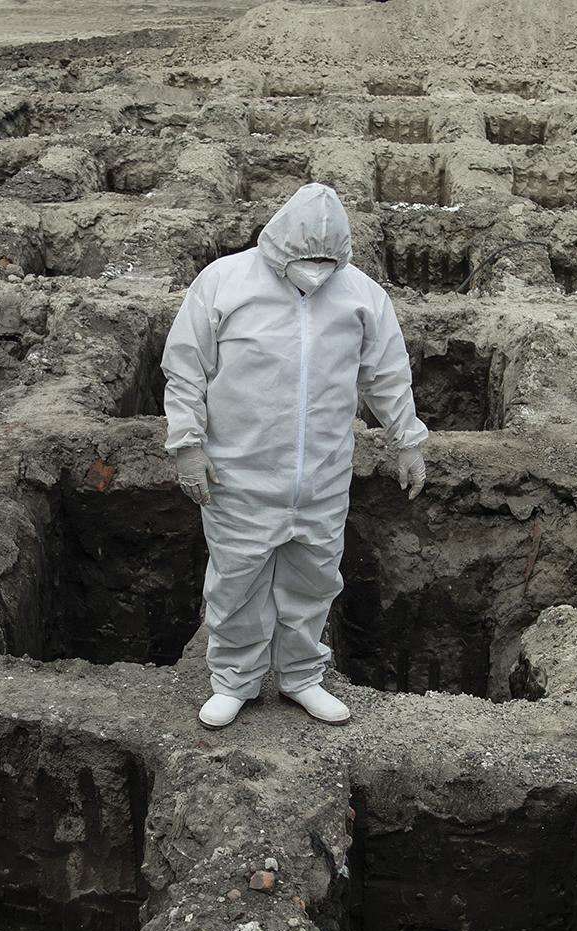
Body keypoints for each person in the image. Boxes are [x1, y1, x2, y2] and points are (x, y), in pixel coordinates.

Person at [162, 181, 429, 730]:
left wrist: (407, 439)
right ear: (278, 246)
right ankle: (234, 679)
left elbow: (386, 375)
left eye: (325, 260)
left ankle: (303, 676)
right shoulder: (224, 283)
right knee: (237, 578)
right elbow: (185, 368)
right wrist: (188, 444)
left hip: (323, 474)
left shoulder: (360, 294)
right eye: (305, 258)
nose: (314, 269)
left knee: (314, 578)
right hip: (240, 472)